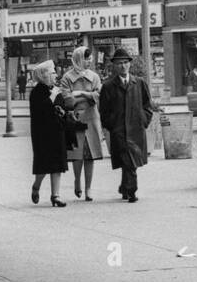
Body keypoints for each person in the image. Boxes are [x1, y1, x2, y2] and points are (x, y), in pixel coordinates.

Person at [98, 48, 153, 202]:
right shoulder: (108, 86)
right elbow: (103, 111)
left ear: (130, 64)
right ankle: (132, 191)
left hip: (136, 129)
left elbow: (147, 105)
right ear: (114, 66)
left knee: (131, 161)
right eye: (119, 63)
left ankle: (124, 187)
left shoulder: (139, 83)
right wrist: (112, 126)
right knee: (128, 160)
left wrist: (144, 121)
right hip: (119, 130)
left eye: (125, 63)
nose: (123, 66)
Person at [59, 46, 103, 200]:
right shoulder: (66, 78)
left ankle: (88, 188)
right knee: (77, 154)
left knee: (90, 155)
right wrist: (88, 97)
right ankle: (77, 181)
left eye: (90, 58)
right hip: (75, 119)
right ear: (78, 59)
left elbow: (99, 95)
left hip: (91, 118)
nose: (88, 61)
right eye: (86, 58)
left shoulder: (94, 76)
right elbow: (67, 100)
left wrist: (81, 93)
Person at [28, 61, 68, 207]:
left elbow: (62, 107)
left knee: (57, 164)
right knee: (44, 166)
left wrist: (63, 111)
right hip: (42, 134)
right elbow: (40, 110)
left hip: (56, 130)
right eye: (52, 73)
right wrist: (52, 97)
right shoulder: (36, 92)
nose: (55, 75)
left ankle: (55, 196)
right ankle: (36, 186)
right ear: (43, 75)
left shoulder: (56, 90)